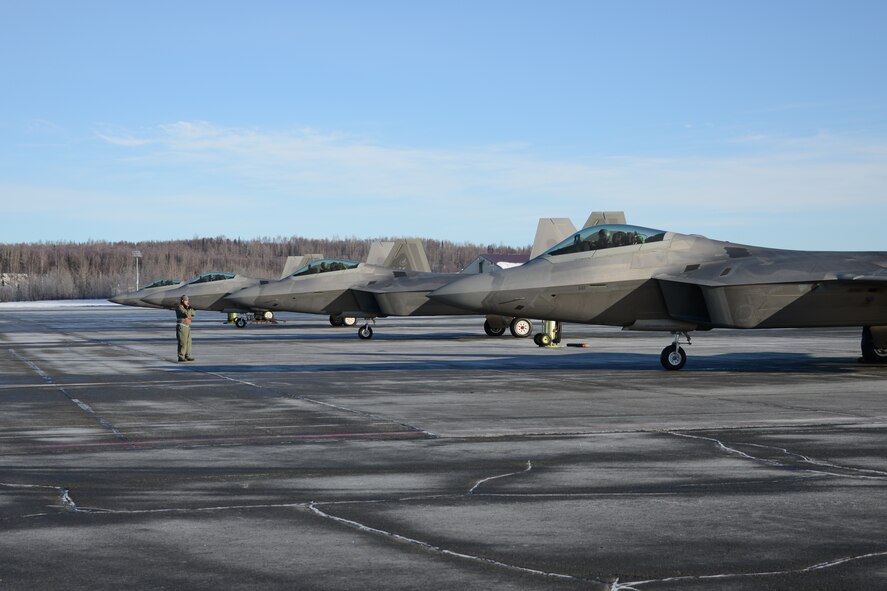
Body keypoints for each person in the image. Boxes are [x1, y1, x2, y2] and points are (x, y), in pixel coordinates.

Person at [176, 295, 195, 362]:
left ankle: (188, 355)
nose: (187, 302)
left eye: (188, 300)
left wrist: (189, 310)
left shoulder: (187, 307)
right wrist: (189, 310)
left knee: (188, 342)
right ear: (182, 301)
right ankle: (181, 356)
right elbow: (186, 314)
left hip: (187, 327)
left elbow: (194, 313)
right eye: (186, 300)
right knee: (183, 342)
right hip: (182, 326)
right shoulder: (179, 307)